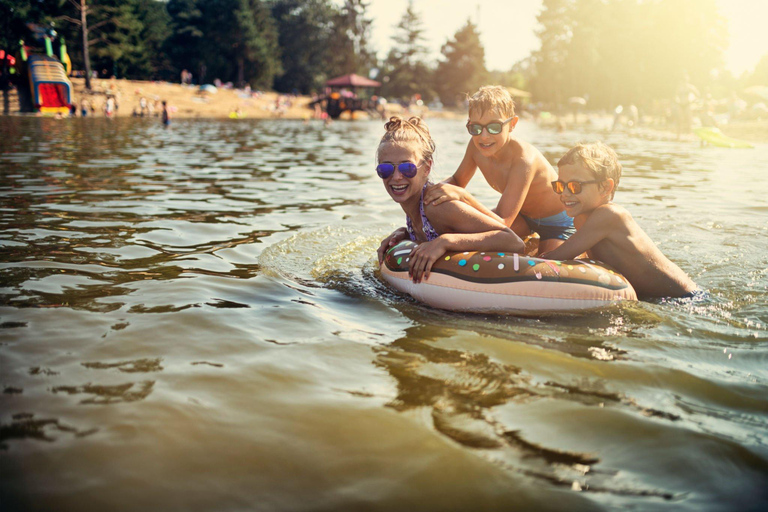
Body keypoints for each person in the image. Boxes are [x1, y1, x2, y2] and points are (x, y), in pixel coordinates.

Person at [379, 86, 574, 256]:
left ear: (512, 124)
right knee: (473, 233)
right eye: (476, 128)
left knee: (546, 263)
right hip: (523, 217)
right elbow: (457, 180)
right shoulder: (475, 147)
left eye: (494, 127)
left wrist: (462, 196)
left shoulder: (524, 160)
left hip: (557, 221)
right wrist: (425, 200)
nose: (484, 136)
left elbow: (504, 222)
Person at [540, 142, 699, 299]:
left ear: (605, 187)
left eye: (575, 186)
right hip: (653, 297)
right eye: (560, 186)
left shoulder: (609, 215)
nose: (565, 194)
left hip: (684, 297)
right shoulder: (580, 220)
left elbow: (557, 257)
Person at [375, 116, 524, 283]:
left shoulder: (435, 206)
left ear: (426, 168)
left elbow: (513, 241)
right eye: (386, 168)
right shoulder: (412, 206)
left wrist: (447, 241)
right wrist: (406, 233)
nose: (396, 177)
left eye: (407, 168)